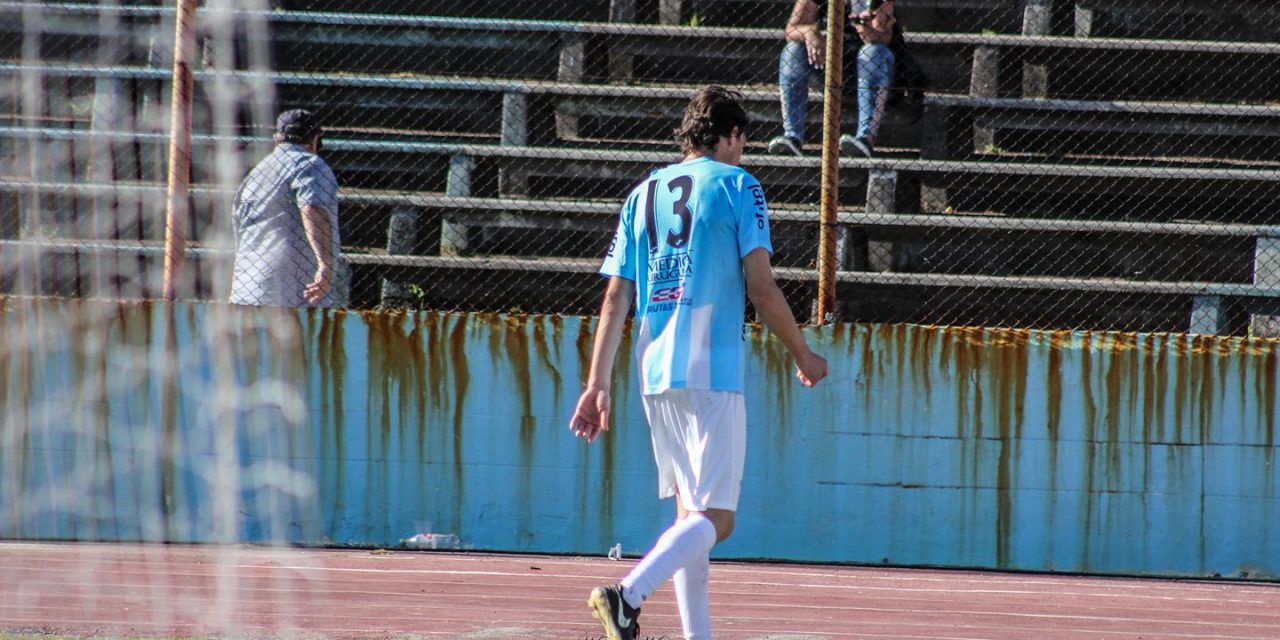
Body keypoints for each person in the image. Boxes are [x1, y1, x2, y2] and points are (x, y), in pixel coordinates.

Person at [570, 86, 829, 640]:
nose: (744, 154)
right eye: (744, 143)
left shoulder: (643, 192)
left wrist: (596, 383)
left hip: (655, 370)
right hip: (711, 368)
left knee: (692, 518)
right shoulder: (740, 185)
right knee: (720, 520)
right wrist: (803, 352)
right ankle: (627, 595)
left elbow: (616, 297)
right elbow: (761, 288)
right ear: (733, 136)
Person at [229, 108, 343, 307]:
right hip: (294, 291)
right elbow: (312, 209)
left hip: (247, 288)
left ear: (276, 139)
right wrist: (326, 265)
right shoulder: (311, 164)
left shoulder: (257, 173)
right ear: (316, 141)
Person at [767, 0, 896, 158]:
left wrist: (866, 28)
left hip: (868, 70)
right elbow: (791, 29)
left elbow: (884, 38)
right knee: (792, 50)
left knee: (872, 52)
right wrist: (809, 33)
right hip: (826, 65)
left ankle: (865, 139)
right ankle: (792, 137)